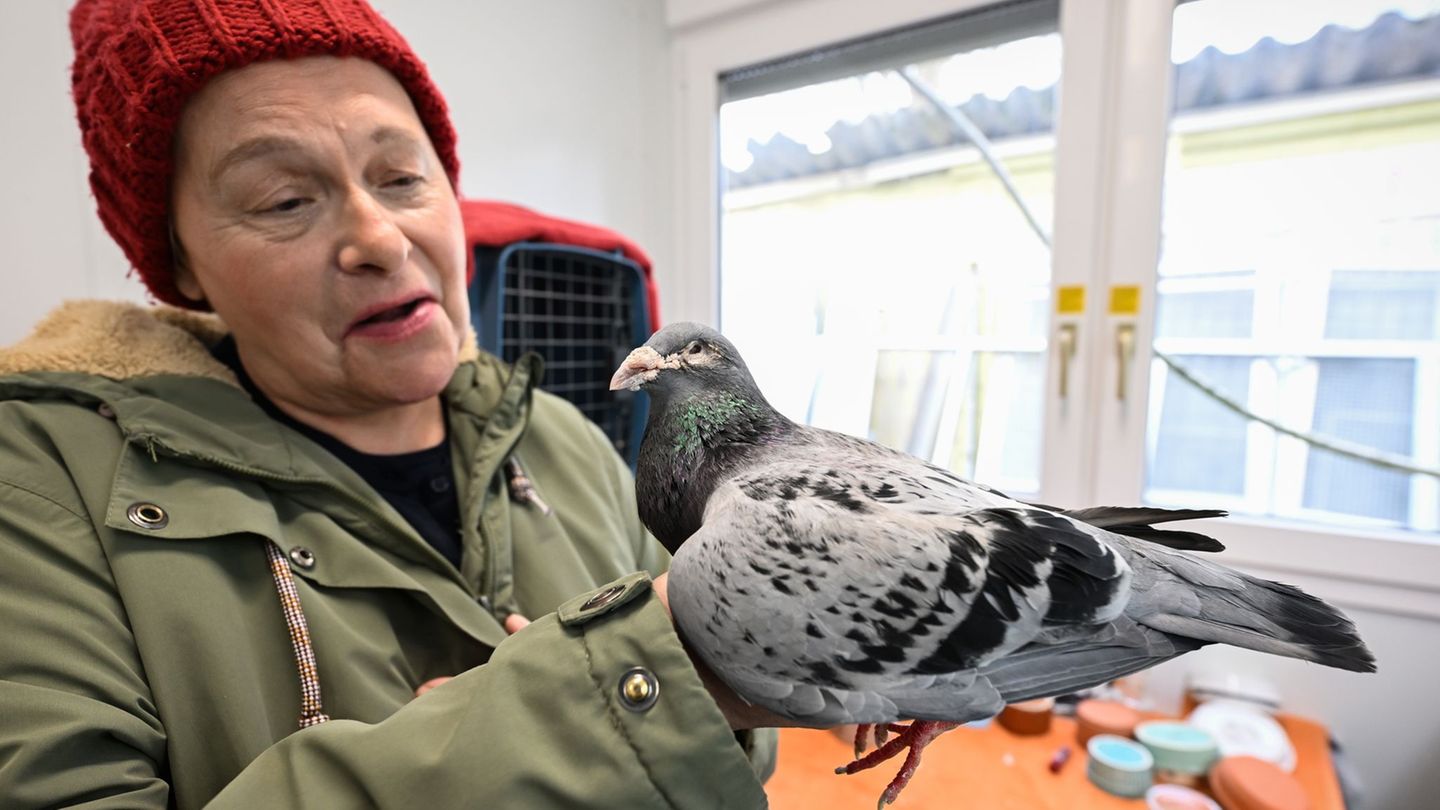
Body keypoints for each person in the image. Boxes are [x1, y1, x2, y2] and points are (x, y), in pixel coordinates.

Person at [0, 1, 777, 807]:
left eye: (403, 177)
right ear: (181, 263)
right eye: (283, 200)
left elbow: (739, 732)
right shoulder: (44, 479)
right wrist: (546, 720)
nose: (380, 239)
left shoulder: (559, 437)